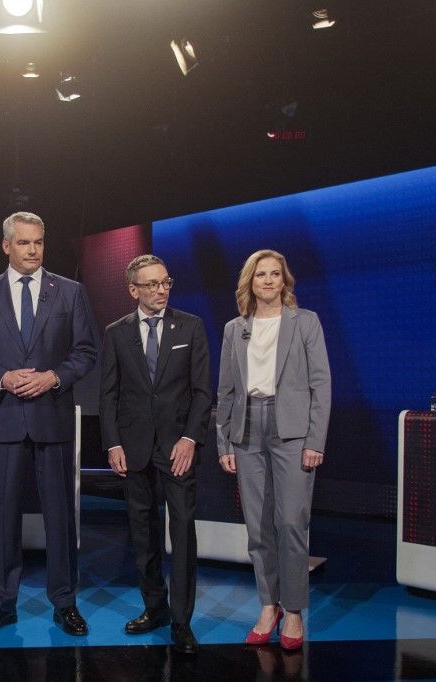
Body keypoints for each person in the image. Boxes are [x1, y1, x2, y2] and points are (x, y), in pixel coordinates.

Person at [0, 211, 98, 637]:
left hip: (51, 417)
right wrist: (1, 376)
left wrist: (53, 377)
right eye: (24, 243)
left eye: (38, 242)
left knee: (61, 517)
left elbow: (86, 351)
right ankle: (2, 604)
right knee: (2, 517)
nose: (33, 250)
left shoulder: (70, 292)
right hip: (1, 418)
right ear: (6, 246)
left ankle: (65, 603)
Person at [216, 249, 331, 651]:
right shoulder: (235, 328)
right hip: (247, 430)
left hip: (293, 432)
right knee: (258, 528)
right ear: (250, 281)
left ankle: (294, 610)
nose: (267, 280)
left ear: (285, 280)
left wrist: (315, 441)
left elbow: (321, 386)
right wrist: (225, 440)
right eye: (260, 274)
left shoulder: (305, 322)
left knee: (291, 524)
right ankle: (269, 606)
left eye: (275, 273)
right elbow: (226, 390)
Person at [99, 254, 212, 654]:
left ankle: (181, 621)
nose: (161, 290)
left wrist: (191, 439)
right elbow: (109, 393)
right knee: (143, 534)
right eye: (151, 285)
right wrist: (113, 443)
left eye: (165, 282)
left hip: (178, 449)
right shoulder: (116, 333)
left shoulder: (191, 327)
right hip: (133, 451)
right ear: (133, 290)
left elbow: (202, 392)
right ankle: (155, 608)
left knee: (181, 533)